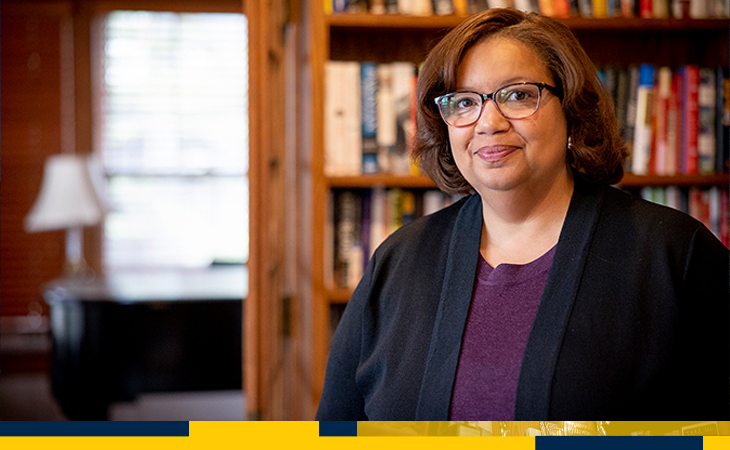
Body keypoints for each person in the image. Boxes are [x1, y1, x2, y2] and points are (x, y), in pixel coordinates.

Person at [315, 8, 729, 421]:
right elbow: (334, 436)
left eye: (517, 95)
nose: (488, 123)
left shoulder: (675, 254)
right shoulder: (398, 262)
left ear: (571, 108)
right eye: (463, 102)